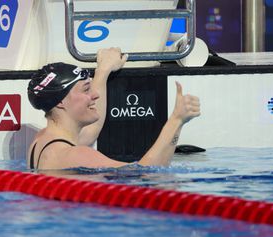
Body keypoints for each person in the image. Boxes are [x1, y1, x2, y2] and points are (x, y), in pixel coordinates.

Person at [27, 47, 200, 170]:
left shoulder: (42, 141)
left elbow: (91, 131)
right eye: (86, 89)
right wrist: (177, 120)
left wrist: (103, 70)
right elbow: (147, 175)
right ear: (60, 102)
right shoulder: (76, 156)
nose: (95, 95)